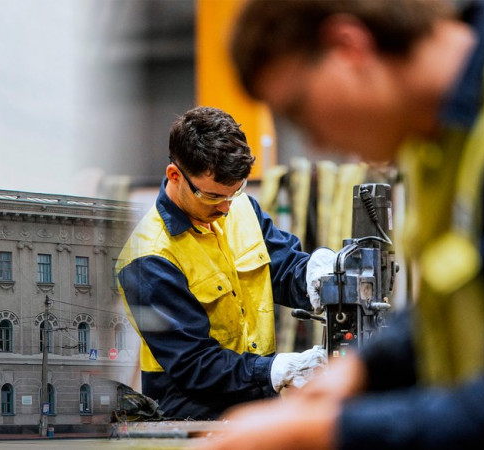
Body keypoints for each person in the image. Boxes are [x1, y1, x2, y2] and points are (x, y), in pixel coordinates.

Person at [204, 0, 484, 448]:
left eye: (301, 109)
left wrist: (319, 431)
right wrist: (362, 369)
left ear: (349, 46)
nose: (316, 140)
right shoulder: (435, 136)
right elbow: (460, 306)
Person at [116, 106, 328, 420]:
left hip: (256, 402)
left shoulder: (240, 207)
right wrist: (278, 369)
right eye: (213, 196)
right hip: (196, 417)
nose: (227, 207)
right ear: (175, 176)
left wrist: (318, 274)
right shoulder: (148, 258)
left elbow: (280, 267)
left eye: (236, 191)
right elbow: (195, 364)